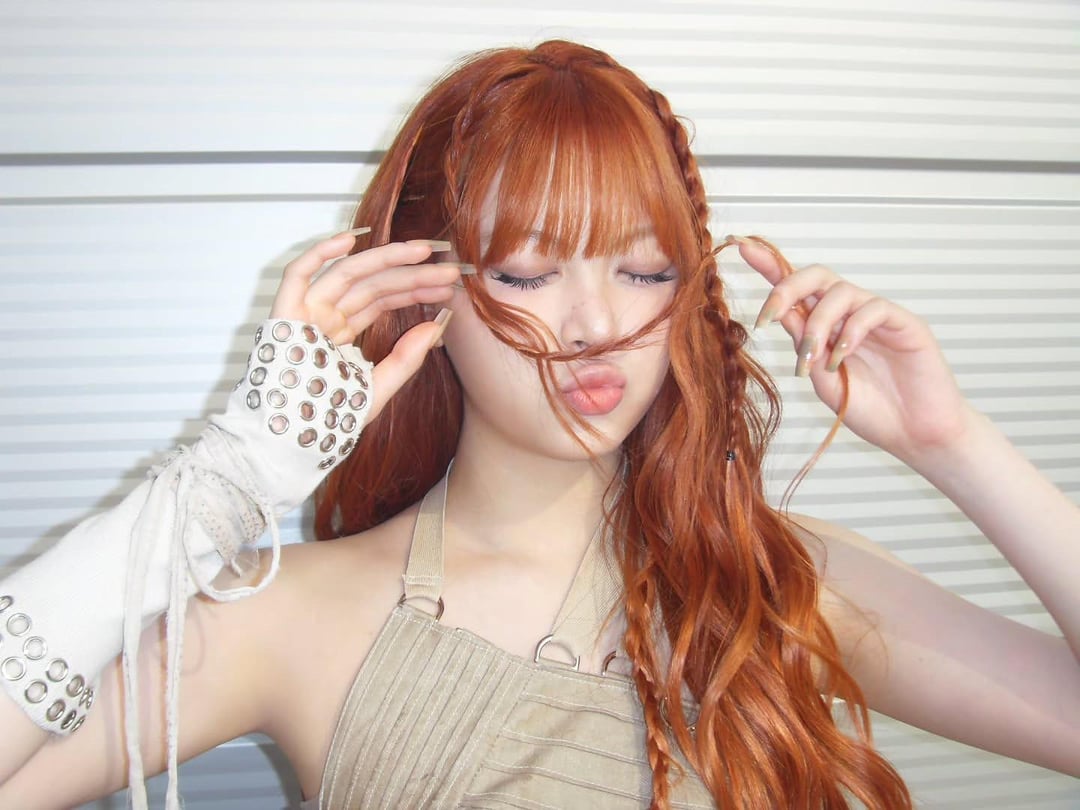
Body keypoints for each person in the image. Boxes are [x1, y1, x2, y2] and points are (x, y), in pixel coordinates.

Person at [0, 39, 1078, 810]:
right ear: (424, 292)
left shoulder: (769, 579)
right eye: (526, 271)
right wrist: (236, 472)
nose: (598, 325)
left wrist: (953, 444)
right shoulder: (292, 617)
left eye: (644, 269)